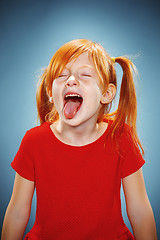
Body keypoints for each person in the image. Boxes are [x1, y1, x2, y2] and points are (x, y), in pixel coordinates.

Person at [1, 39, 157, 240]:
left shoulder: (120, 137)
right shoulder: (33, 141)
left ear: (107, 93)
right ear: (50, 92)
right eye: (61, 75)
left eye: (84, 75)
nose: (71, 80)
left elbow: (140, 210)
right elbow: (16, 213)